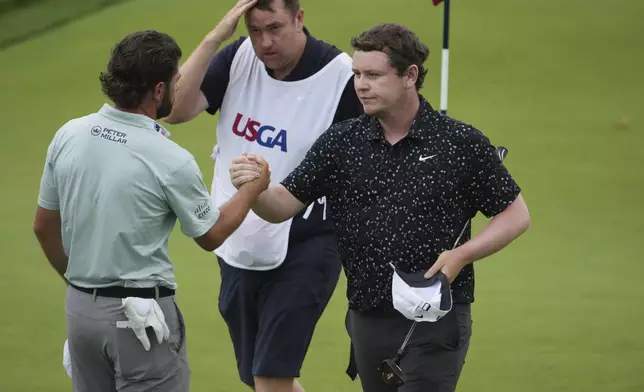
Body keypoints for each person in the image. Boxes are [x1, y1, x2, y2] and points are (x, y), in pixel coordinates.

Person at [229, 23, 531, 392]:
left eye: (373, 75)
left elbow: (516, 214)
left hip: (435, 317)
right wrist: (256, 189)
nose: (361, 84)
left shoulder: (459, 142)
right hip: (366, 316)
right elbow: (280, 207)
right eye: (357, 74)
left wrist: (462, 255)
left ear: (410, 75)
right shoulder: (342, 142)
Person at [33, 30, 269, 392]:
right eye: (176, 81)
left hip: (80, 312)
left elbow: (43, 226)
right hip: (139, 321)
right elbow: (212, 234)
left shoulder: (69, 134)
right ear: (159, 90)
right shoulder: (170, 158)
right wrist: (253, 187)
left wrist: (84, 287)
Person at [163, 1, 363, 391]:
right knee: (260, 379)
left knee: (271, 377)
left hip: (308, 242)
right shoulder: (237, 57)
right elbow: (174, 110)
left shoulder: (341, 78)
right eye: (255, 31)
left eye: (275, 28)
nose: (265, 42)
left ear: (299, 18)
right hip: (237, 238)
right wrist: (216, 36)